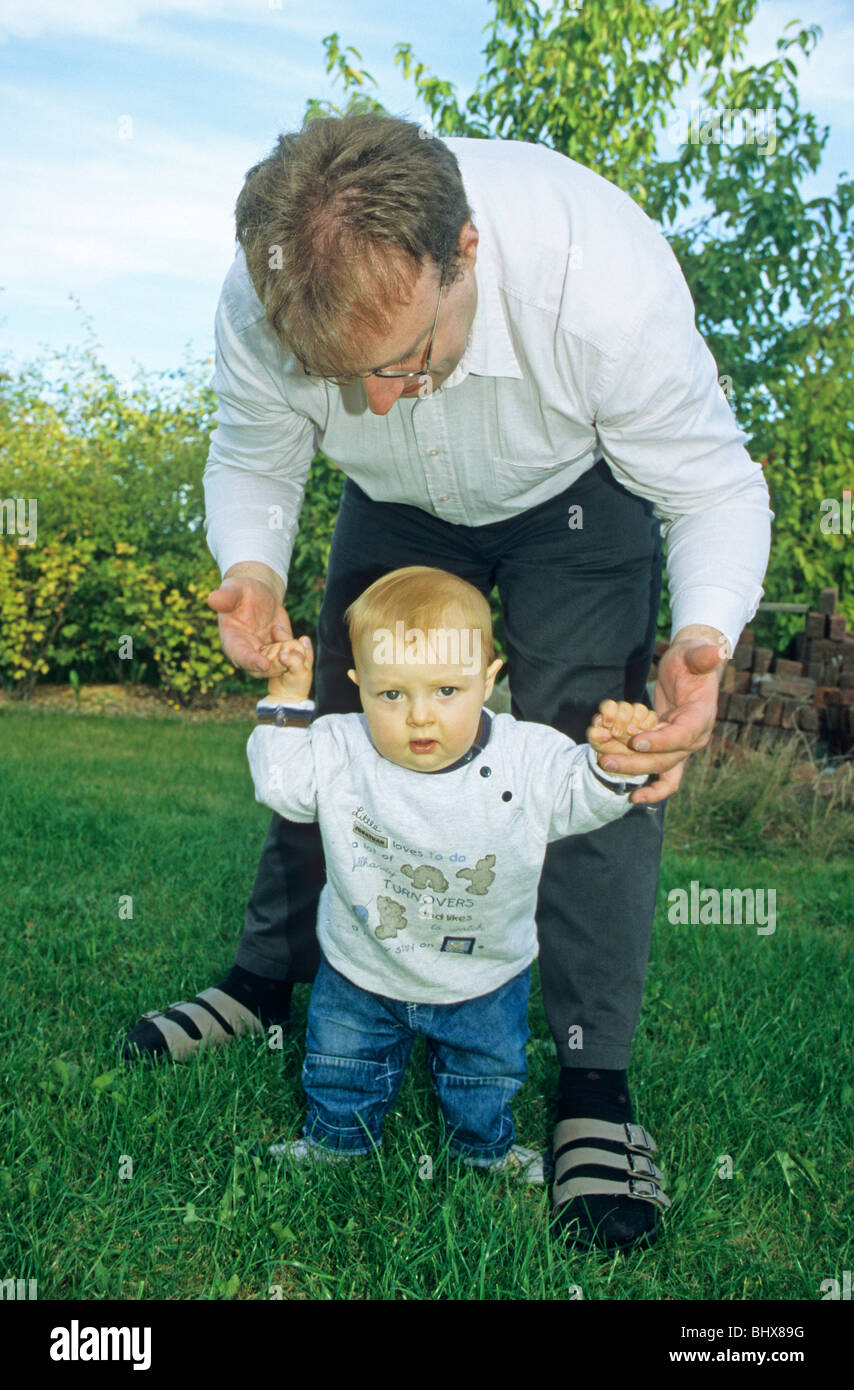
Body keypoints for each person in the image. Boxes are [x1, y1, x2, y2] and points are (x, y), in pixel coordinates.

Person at [123, 112, 772, 1251]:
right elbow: (254, 451)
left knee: (597, 756)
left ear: (462, 252)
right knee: (339, 730)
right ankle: (266, 983)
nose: (374, 401)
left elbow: (713, 486)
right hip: (397, 507)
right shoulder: (263, 292)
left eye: (404, 360)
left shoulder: (597, 280)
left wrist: (702, 635)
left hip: (576, 500)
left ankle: (590, 1088)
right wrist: (254, 565)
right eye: (341, 378)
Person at [245, 566, 663, 1203]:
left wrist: (614, 761)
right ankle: (336, 1138)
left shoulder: (529, 757)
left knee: (486, 1074)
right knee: (341, 1065)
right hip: (362, 965)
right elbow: (282, 789)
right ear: (358, 687)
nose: (419, 716)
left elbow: (584, 800)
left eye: (446, 689)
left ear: (488, 681)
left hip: (484, 974)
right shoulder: (338, 748)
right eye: (391, 695)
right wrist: (286, 699)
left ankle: (483, 1148)